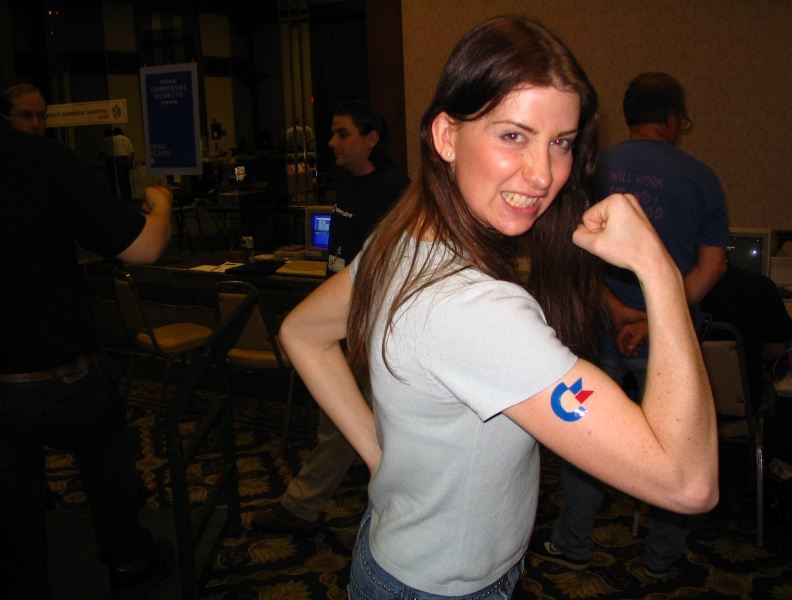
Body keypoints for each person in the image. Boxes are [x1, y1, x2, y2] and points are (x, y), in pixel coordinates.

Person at [275, 17, 719, 599]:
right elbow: (688, 483)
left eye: (561, 142)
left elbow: (302, 332)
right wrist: (659, 272)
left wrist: (381, 457)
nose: (543, 175)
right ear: (446, 136)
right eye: (513, 135)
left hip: (399, 557)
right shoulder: (475, 309)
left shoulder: (406, 234)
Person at [538, 71, 729, 579]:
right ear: (672, 119)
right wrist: (653, 321)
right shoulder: (701, 176)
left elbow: (573, 252)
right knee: (674, 444)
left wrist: (613, 310)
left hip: (597, 325)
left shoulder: (592, 166)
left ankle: (573, 542)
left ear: (628, 116)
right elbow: (712, 266)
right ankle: (662, 558)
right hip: (667, 341)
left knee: (585, 433)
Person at [0, 113, 175, 598]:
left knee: (12, 509)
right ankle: (128, 558)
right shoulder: (40, 159)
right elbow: (144, 248)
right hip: (60, 373)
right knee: (104, 447)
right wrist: (161, 205)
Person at [252, 100, 409, 534]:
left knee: (341, 421)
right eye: (334, 133)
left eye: (343, 134)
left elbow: (390, 263)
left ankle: (301, 507)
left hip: (368, 322)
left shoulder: (394, 187)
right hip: (340, 318)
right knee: (346, 419)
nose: (332, 142)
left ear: (371, 139)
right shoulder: (349, 181)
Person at [700, 263, 792, 410]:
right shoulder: (761, 286)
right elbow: (776, 350)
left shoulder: (672, 288)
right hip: (746, 402)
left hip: (685, 405)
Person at [99, 126, 136, 203]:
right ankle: (129, 197)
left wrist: (99, 159)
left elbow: (101, 152)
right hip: (126, 159)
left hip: (115, 160)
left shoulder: (111, 140)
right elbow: (132, 152)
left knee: (118, 180)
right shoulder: (126, 139)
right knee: (126, 179)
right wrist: (131, 162)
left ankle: (122, 198)